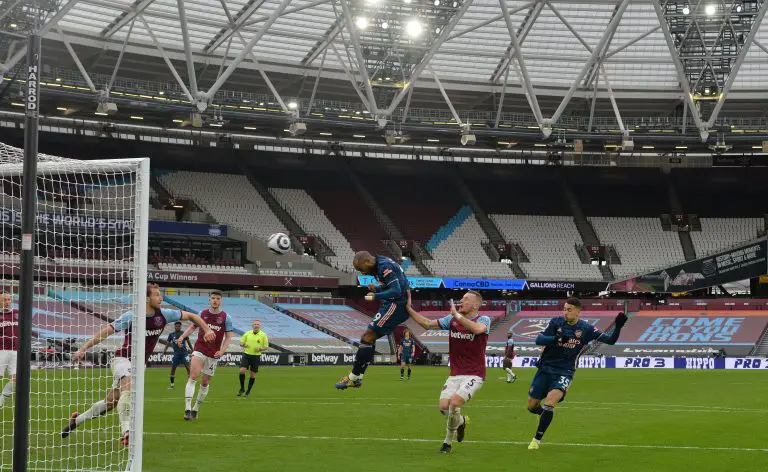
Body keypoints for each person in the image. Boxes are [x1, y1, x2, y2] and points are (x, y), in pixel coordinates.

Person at [62, 284, 215, 445]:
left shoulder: (164, 315)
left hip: (139, 365)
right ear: (147, 298)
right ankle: (127, 432)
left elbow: (192, 316)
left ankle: (76, 420)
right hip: (123, 359)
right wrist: (83, 348)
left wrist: (207, 329)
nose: (161, 298)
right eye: (157, 295)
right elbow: (106, 332)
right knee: (128, 388)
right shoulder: (132, 316)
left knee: (110, 402)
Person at [526, 297, 627, 450]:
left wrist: (618, 326)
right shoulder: (556, 322)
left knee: (550, 403)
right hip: (545, 369)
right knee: (532, 406)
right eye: (564, 309)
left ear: (578, 312)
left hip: (565, 371)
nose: (565, 312)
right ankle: (544, 415)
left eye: (569, 309)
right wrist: (556, 339)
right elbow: (539, 340)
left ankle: (536, 440)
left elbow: (611, 340)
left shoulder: (586, 329)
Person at [406, 291, 490, 454]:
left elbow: (477, 330)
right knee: (444, 407)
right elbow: (427, 324)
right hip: (455, 373)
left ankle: (447, 442)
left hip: (475, 373)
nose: (461, 301)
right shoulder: (451, 319)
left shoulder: (483, 319)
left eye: (466, 299)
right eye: (462, 298)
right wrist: (409, 309)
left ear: (475, 305)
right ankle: (462, 421)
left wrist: (457, 316)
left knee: (455, 404)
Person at [335, 251, 410, 390]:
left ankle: (353, 378)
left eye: (361, 269)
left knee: (367, 337)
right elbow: (393, 284)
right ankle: (357, 377)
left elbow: (396, 290)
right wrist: (378, 288)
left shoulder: (384, 266)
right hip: (393, 303)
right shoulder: (379, 264)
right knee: (367, 338)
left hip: (397, 304)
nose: (362, 273)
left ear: (368, 262)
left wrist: (376, 296)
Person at [177, 291, 234, 420]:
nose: (215, 300)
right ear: (210, 300)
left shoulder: (226, 317)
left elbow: (229, 336)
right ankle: (187, 409)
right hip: (200, 349)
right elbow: (192, 327)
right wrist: (182, 337)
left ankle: (196, 408)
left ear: (221, 301)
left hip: (213, 354)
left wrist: (222, 351)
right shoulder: (202, 314)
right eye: (213, 298)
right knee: (193, 376)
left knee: (205, 382)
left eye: (218, 298)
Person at [238, 319, 269, 397]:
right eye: (255, 324)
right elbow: (241, 343)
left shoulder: (263, 335)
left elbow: (266, 346)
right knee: (242, 370)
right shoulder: (247, 333)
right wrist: (243, 344)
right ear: (252, 326)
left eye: (258, 324)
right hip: (246, 354)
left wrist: (260, 349)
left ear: (260, 326)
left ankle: (248, 391)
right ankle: (242, 388)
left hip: (256, 356)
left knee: (253, 375)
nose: (256, 325)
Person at [0, 292, 18, 408]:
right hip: (1, 350)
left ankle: (1, 401)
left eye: (9, 299)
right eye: (4, 300)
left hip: (15, 351)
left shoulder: (17, 313)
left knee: (16, 379)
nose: (7, 302)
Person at [163, 321, 193, 389]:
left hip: (184, 353)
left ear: (180, 327)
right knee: (173, 368)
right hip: (176, 354)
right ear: (174, 326)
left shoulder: (184, 333)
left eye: (179, 326)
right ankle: (172, 385)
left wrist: (192, 350)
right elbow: (167, 344)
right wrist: (164, 352)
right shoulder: (171, 334)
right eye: (176, 326)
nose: (177, 327)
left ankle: (190, 385)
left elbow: (188, 342)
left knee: (188, 368)